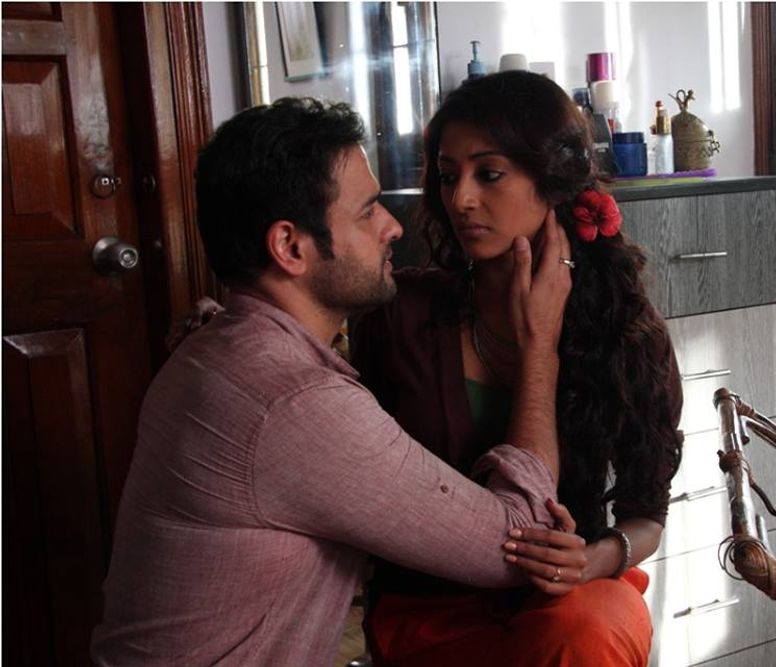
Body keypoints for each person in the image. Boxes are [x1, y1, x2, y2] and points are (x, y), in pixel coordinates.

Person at [90, 97, 576, 665]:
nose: (394, 226)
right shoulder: (295, 403)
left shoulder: (215, 350)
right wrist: (539, 347)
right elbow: (520, 541)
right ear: (290, 247)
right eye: (368, 212)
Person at [351, 71, 685, 666]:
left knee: (588, 630)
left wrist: (594, 559)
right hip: (434, 610)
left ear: (550, 181)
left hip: (569, 600)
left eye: (489, 174)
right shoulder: (399, 314)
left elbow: (645, 515)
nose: (461, 199)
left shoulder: (626, 332)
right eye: (448, 176)